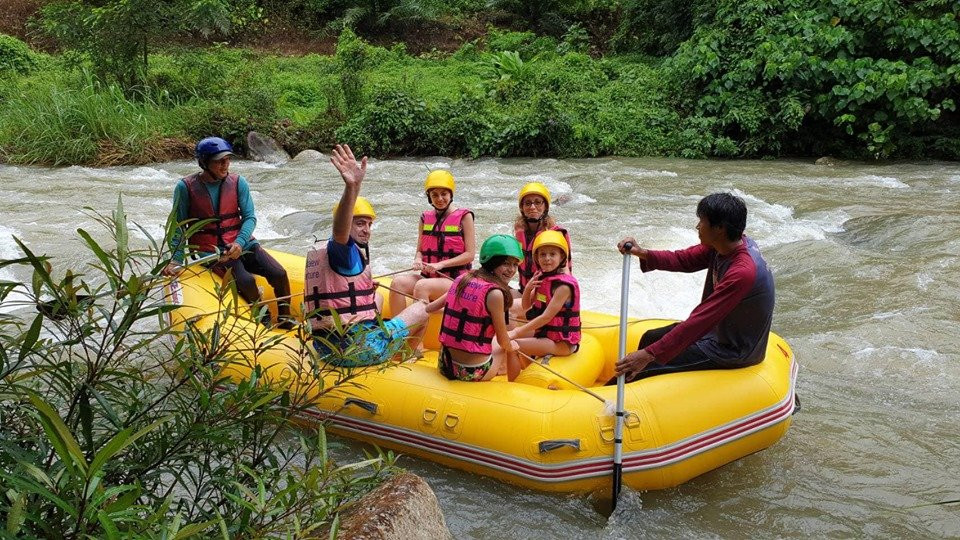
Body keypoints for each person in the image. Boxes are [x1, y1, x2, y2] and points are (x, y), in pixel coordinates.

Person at [612, 192, 775, 382]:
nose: (697, 226)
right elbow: (684, 259)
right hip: (715, 333)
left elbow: (701, 320)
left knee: (648, 364)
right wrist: (642, 253)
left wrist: (649, 355)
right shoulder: (722, 246)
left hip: (732, 349)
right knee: (650, 337)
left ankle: (610, 401)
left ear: (720, 228)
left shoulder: (742, 272)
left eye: (702, 221)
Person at [304, 144, 432, 367]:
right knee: (422, 308)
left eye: (369, 224)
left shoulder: (327, 250)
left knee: (378, 297)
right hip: (356, 350)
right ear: (347, 223)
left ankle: (377, 339)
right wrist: (352, 187)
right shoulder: (340, 249)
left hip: (326, 347)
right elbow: (340, 231)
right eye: (360, 223)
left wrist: (362, 291)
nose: (366, 229)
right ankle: (404, 360)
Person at [163, 136, 292, 328]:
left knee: (279, 273)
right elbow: (178, 226)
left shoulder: (238, 183)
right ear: (204, 163)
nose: (225, 165)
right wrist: (176, 259)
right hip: (212, 250)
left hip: (242, 243)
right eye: (219, 161)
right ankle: (262, 319)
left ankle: (285, 319)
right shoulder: (185, 188)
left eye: (227, 160)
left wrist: (240, 242)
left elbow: (250, 217)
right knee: (246, 281)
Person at [437, 235, 526, 382]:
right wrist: (513, 347)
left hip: (445, 364)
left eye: (515, 265)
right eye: (505, 263)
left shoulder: (462, 278)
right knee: (511, 344)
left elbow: (431, 307)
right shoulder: (496, 294)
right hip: (471, 372)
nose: (511, 270)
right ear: (492, 262)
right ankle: (511, 385)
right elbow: (504, 342)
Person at [388, 170, 476, 317]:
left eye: (444, 194)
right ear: (429, 197)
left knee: (422, 286)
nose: (440, 198)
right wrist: (417, 259)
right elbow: (420, 250)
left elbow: (470, 255)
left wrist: (441, 265)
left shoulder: (465, 217)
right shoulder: (425, 218)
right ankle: (399, 335)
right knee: (397, 283)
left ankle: (417, 335)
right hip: (428, 276)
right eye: (434, 195)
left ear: (451, 195)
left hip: (454, 280)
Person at [505, 230, 581, 365]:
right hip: (546, 334)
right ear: (537, 258)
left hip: (562, 343)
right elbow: (526, 306)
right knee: (502, 339)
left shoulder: (563, 286)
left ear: (562, 256)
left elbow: (546, 317)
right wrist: (528, 288)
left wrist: (516, 332)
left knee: (511, 344)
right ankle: (526, 371)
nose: (547, 258)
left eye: (553, 254)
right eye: (543, 254)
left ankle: (514, 382)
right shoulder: (544, 278)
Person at [513, 182, 572, 294]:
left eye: (538, 202)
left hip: (548, 293)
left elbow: (565, 269)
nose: (532, 207)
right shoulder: (519, 230)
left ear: (545, 207)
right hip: (525, 291)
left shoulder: (557, 233)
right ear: (522, 208)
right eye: (527, 203)